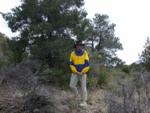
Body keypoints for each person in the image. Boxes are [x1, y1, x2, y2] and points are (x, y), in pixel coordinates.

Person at [69, 40, 90, 107]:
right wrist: (76, 71)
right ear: (76, 46)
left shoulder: (85, 53)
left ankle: (84, 102)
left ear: (82, 46)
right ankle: (76, 95)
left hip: (83, 74)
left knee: (83, 87)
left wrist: (82, 72)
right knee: (71, 86)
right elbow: (71, 64)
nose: (79, 46)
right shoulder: (72, 53)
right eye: (78, 45)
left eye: (80, 45)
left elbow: (87, 64)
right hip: (75, 73)